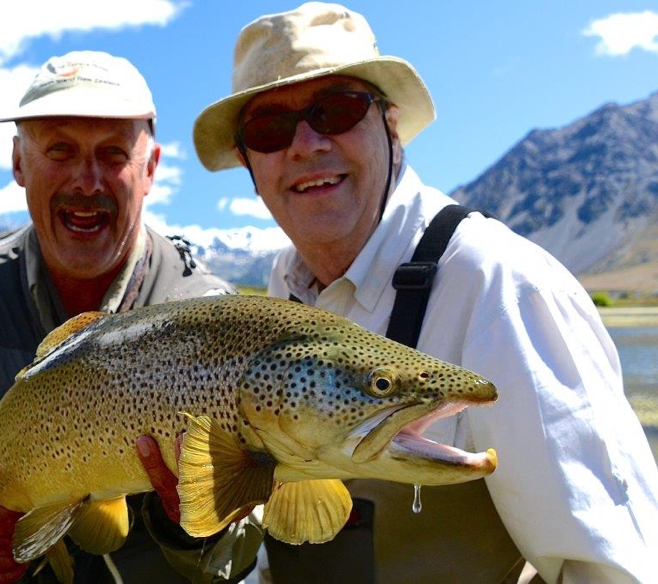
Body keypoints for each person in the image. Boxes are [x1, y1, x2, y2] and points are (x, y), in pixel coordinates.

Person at [193, 3, 658, 582]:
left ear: (388, 123)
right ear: (247, 160)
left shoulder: (502, 287)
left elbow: (611, 568)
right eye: (270, 128)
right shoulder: (281, 289)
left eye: (336, 110)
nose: (306, 144)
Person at [0, 50, 262, 583]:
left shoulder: (209, 314)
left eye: (112, 154)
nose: (87, 181)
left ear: (151, 170)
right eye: (60, 150)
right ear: (19, 163)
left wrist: (195, 523)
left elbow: (244, 545)